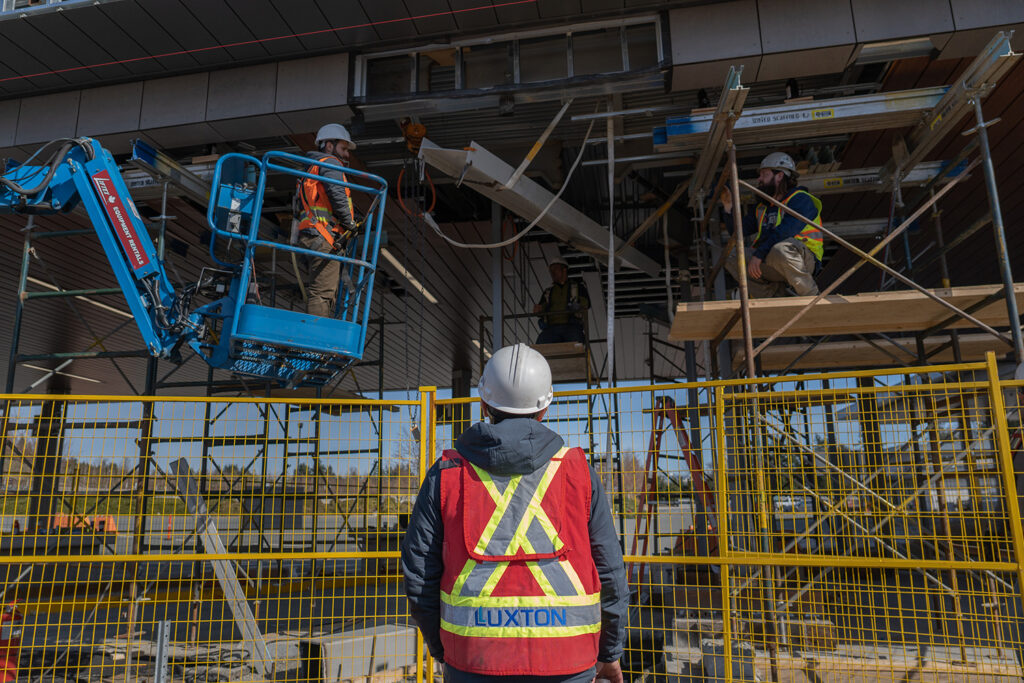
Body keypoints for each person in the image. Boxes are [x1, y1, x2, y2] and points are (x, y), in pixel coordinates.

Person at [401, 344, 629, 683]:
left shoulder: (446, 474)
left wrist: (444, 650)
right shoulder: (579, 473)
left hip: (472, 663)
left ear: (483, 403)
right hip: (569, 664)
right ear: (545, 408)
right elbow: (610, 572)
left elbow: (419, 574)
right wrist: (609, 653)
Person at [721, 151, 823, 298]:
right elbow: (737, 233)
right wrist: (728, 209)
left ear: (779, 176)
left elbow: (786, 231)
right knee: (731, 255)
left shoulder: (800, 199)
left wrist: (759, 254)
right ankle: (771, 299)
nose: (759, 179)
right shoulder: (763, 208)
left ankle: (812, 296)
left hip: (804, 260)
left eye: (764, 174)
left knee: (780, 249)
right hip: (772, 259)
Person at [293, 123, 361, 317]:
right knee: (322, 293)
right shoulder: (331, 163)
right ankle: (315, 343)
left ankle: (314, 336)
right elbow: (337, 194)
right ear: (329, 146)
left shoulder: (310, 168)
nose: (347, 155)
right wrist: (350, 223)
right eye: (344, 148)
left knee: (320, 289)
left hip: (308, 236)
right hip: (323, 238)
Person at [532, 257, 590, 344]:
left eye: (555, 269)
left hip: (571, 327)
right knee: (540, 347)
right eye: (551, 270)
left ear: (564, 270)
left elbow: (586, 303)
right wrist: (539, 309)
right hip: (551, 328)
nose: (552, 273)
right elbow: (541, 309)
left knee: (577, 344)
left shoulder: (578, 287)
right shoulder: (548, 291)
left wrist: (577, 305)